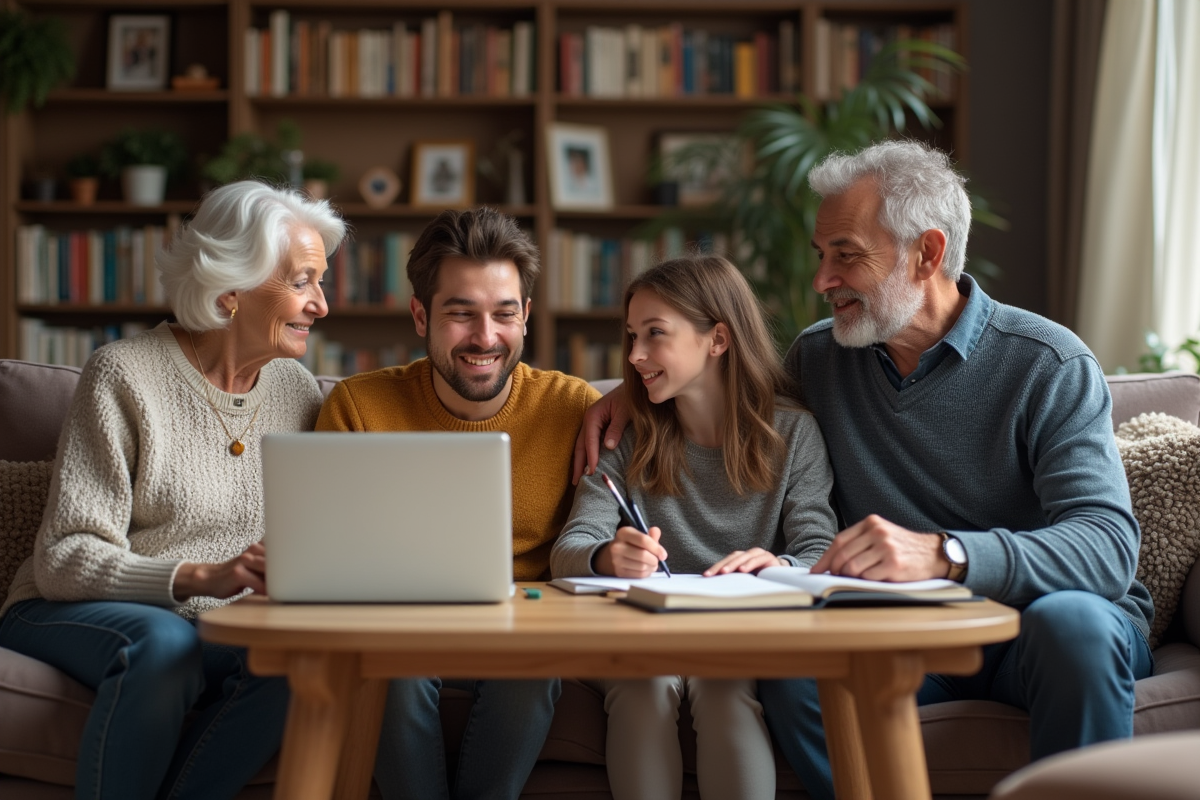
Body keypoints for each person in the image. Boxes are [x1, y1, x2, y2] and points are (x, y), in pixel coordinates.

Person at [574, 140, 1155, 800]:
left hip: (1041, 629)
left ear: (927, 254)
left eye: (846, 255)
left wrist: (947, 555)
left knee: (1073, 627)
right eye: (821, 255)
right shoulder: (820, 359)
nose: (822, 280)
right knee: (791, 674)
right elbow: (729, 391)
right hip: (903, 636)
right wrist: (630, 392)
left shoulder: (1047, 364)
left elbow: (1108, 547)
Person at [0, 180, 346, 800]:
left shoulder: (297, 393)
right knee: (166, 644)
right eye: (303, 282)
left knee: (299, 662)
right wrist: (202, 576)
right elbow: (63, 558)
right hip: (66, 608)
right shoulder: (124, 374)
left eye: (321, 282)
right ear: (232, 288)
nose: (321, 305)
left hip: (209, 624)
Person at [315, 206, 600, 800]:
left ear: (526, 315)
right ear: (421, 315)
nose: (485, 337)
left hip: (523, 626)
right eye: (461, 313)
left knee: (533, 669)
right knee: (388, 668)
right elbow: (328, 557)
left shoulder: (575, 407)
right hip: (399, 626)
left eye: (504, 313)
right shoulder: (358, 407)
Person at [551, 255, 838, 800]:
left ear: (718, 340)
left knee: (724, 684)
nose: (634, 355)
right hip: (640, 635)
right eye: (631, 335)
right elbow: (571, 547)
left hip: (738, 634)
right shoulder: (625, 436)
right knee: (644, 684)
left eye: (654, 334)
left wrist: (778, 565)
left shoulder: (794, 434)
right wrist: (608, 557)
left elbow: (818, 549)